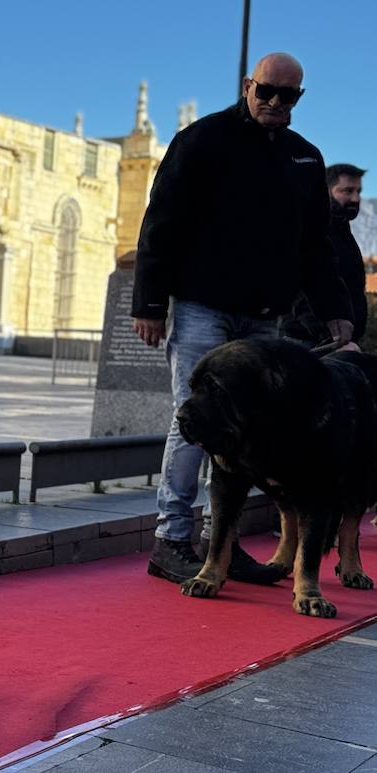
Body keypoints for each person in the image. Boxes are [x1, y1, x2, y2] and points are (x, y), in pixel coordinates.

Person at [131, 53, 353, 585]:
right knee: (194, 418)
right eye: (267, 91)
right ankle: (171, 539)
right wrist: (150, 303)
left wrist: (338, 314)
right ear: (248, 86)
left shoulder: (305, 160)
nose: (276, 103)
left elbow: (315, 249)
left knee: (251, 430)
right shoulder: (202, 141)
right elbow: (162, 220)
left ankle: (220, 545)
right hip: (202, 307)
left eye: (289, 96)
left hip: (263, 320)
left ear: (299, 98)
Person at [280, 164, 367, 348]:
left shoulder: (344, 233)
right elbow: (300, 287)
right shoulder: (313, 231)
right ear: (326, 190)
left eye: (358, 191)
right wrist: (333, 338)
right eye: (347, 191)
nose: (355, 198)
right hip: (310, 344)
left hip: (341, 343)